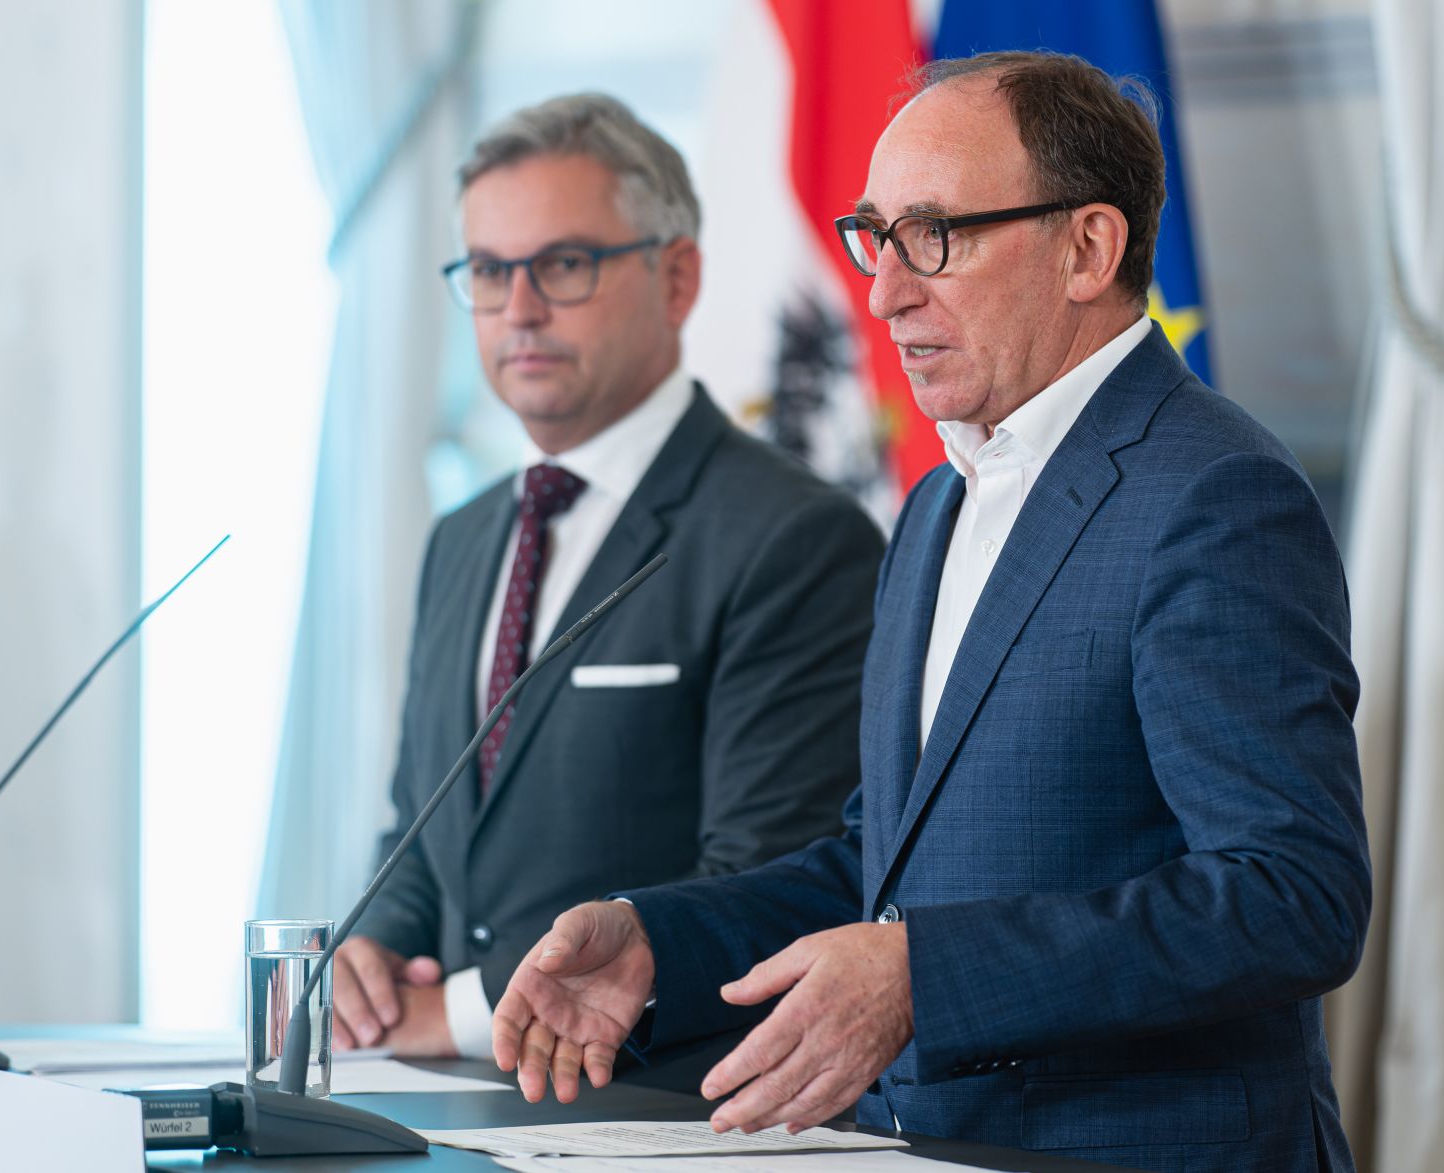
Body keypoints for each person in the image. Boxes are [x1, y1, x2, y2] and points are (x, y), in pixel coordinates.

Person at [492, 53, 1369, 1173]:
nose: (882, 291)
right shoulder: (936, 501)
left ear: (1087, 250)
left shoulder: (1210, 494)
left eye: (933, 236)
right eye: (874, 237)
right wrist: (658, 943)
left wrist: (924, 978)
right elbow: (887, 865)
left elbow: (1290, 895)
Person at [334, 93, 885, 1061]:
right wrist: (372, 950)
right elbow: (427, 824)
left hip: (669, 1113)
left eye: (563, 263)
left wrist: (460, 1014)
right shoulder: (461, 537)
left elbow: (770, 879)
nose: (518, 307)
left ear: (675, 279)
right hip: (445, 1110)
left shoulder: (793, 537)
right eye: (489, 270)